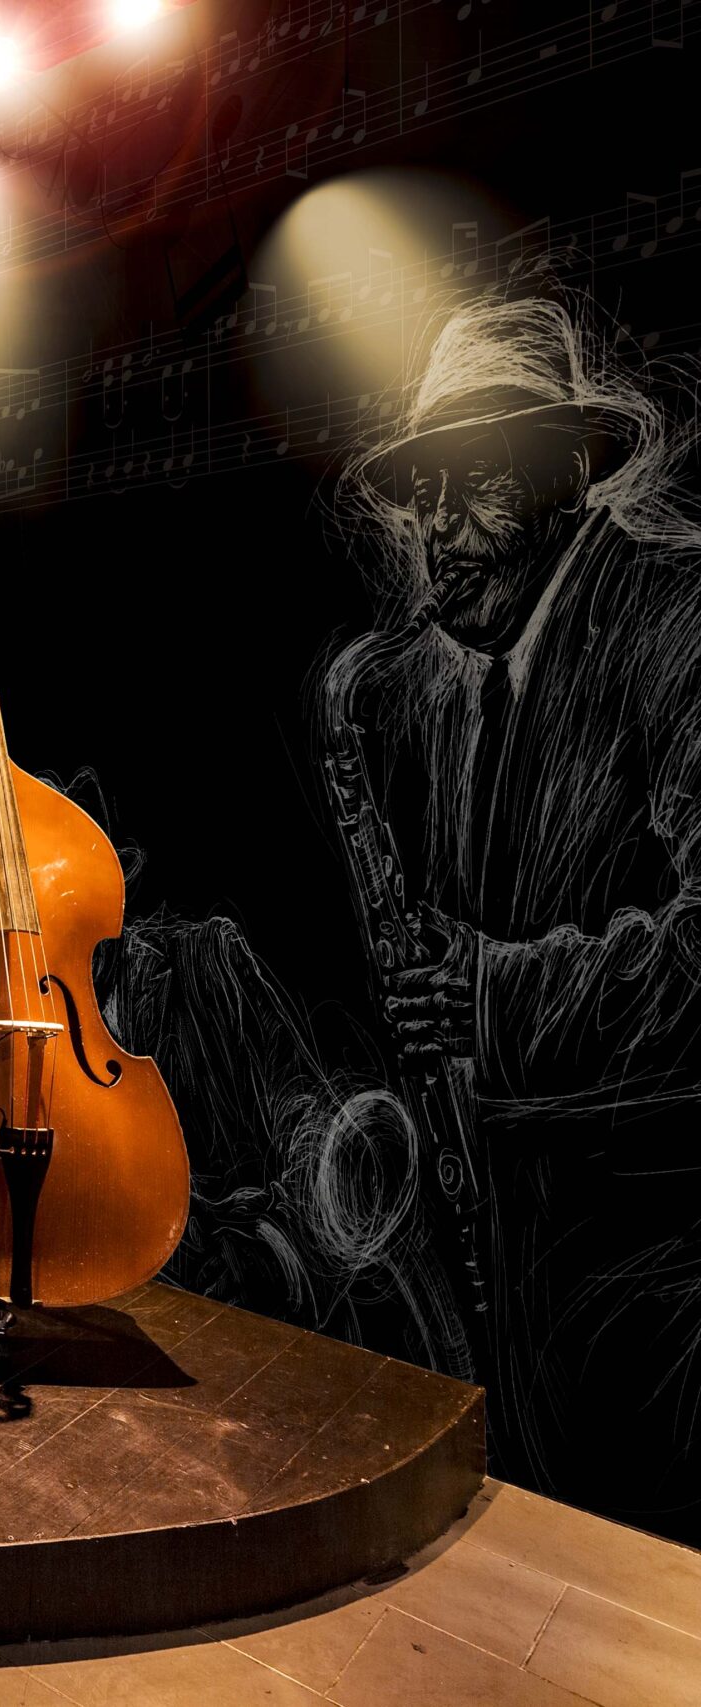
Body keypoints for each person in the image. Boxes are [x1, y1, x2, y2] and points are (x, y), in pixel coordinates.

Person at [324, 283, 701, 1538]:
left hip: (657, 1261)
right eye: (417, 494)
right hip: (539, 1262)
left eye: (472, 479)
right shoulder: (463, 682)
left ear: (570, 470)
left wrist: (492, 990)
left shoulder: (670, 617)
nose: (435, 528)